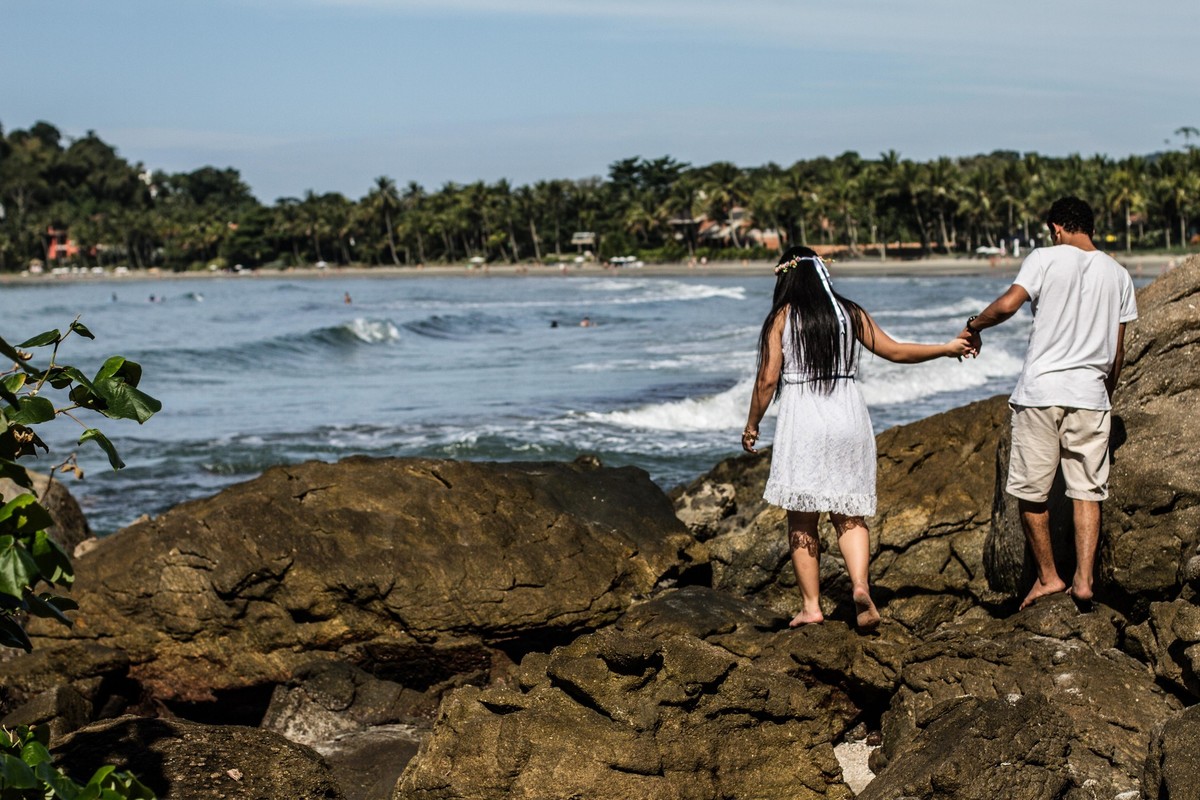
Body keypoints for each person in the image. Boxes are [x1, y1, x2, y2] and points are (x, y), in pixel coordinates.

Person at [742, 246, 973, 630]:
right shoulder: (850, 313)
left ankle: (812, 606)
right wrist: (947, 348)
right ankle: (861, 587)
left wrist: (752, 424)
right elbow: (895, 351)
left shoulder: (782, 317)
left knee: (802, 518)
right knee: (849, 513)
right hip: (848, 415)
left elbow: (767, 381)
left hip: (805, 420)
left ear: (786, 277)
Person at [959, 196, 1137, 610]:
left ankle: (1049, 577)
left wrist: (973, 325)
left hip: (1041, 394)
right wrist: (1104, 394)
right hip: (1090, 394)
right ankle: (1085, 580)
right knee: (1087, 491)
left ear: (1057, 228)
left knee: (1032, 492)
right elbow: (1118, 352)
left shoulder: (1044, 257)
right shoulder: (1120, 275)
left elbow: (1007, 304)